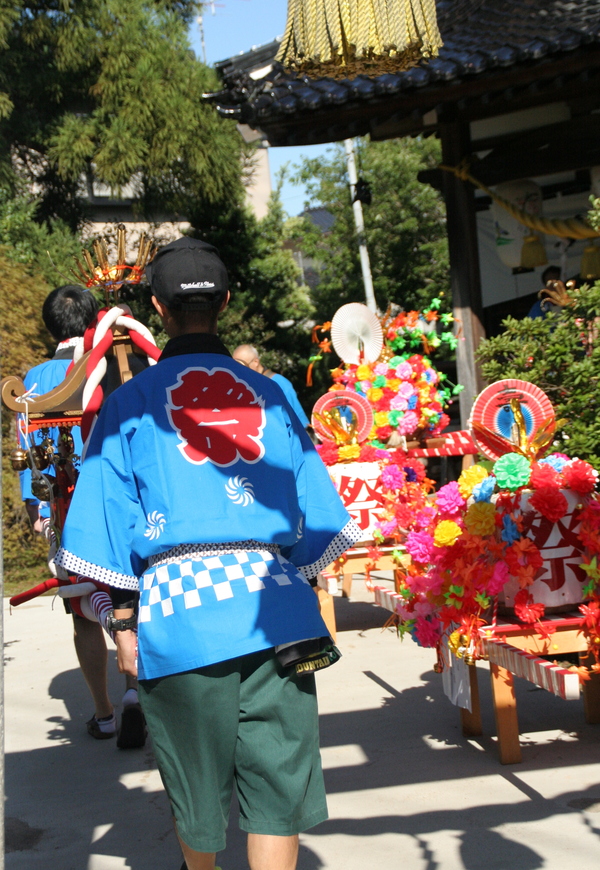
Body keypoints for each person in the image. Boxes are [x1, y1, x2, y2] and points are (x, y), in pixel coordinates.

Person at [55, 237, 361, 870]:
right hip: (278, 615)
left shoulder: (128, 403)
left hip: (178, 615)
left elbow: (102, 528)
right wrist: (281, 576)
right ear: (225, 302)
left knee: (197, 794)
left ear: (158, 309)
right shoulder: (272, 390)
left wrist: (121, 624)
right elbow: (319, 515)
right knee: (277, 790)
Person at [19, 284, 145, 747]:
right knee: (130, 594)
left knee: (83, 610)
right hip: (124, 500)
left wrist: (38, 510)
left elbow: (28, 452)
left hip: (67, 504)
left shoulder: (35, 378)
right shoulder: (119, 364)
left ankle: (104, 712)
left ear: (50, 325)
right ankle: (136, 690)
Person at [232, 343, 311, 429]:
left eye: (243, 365)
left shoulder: (280, 383)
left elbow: (300, 422)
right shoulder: (245, 387)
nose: (239, 371)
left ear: (256, 362)